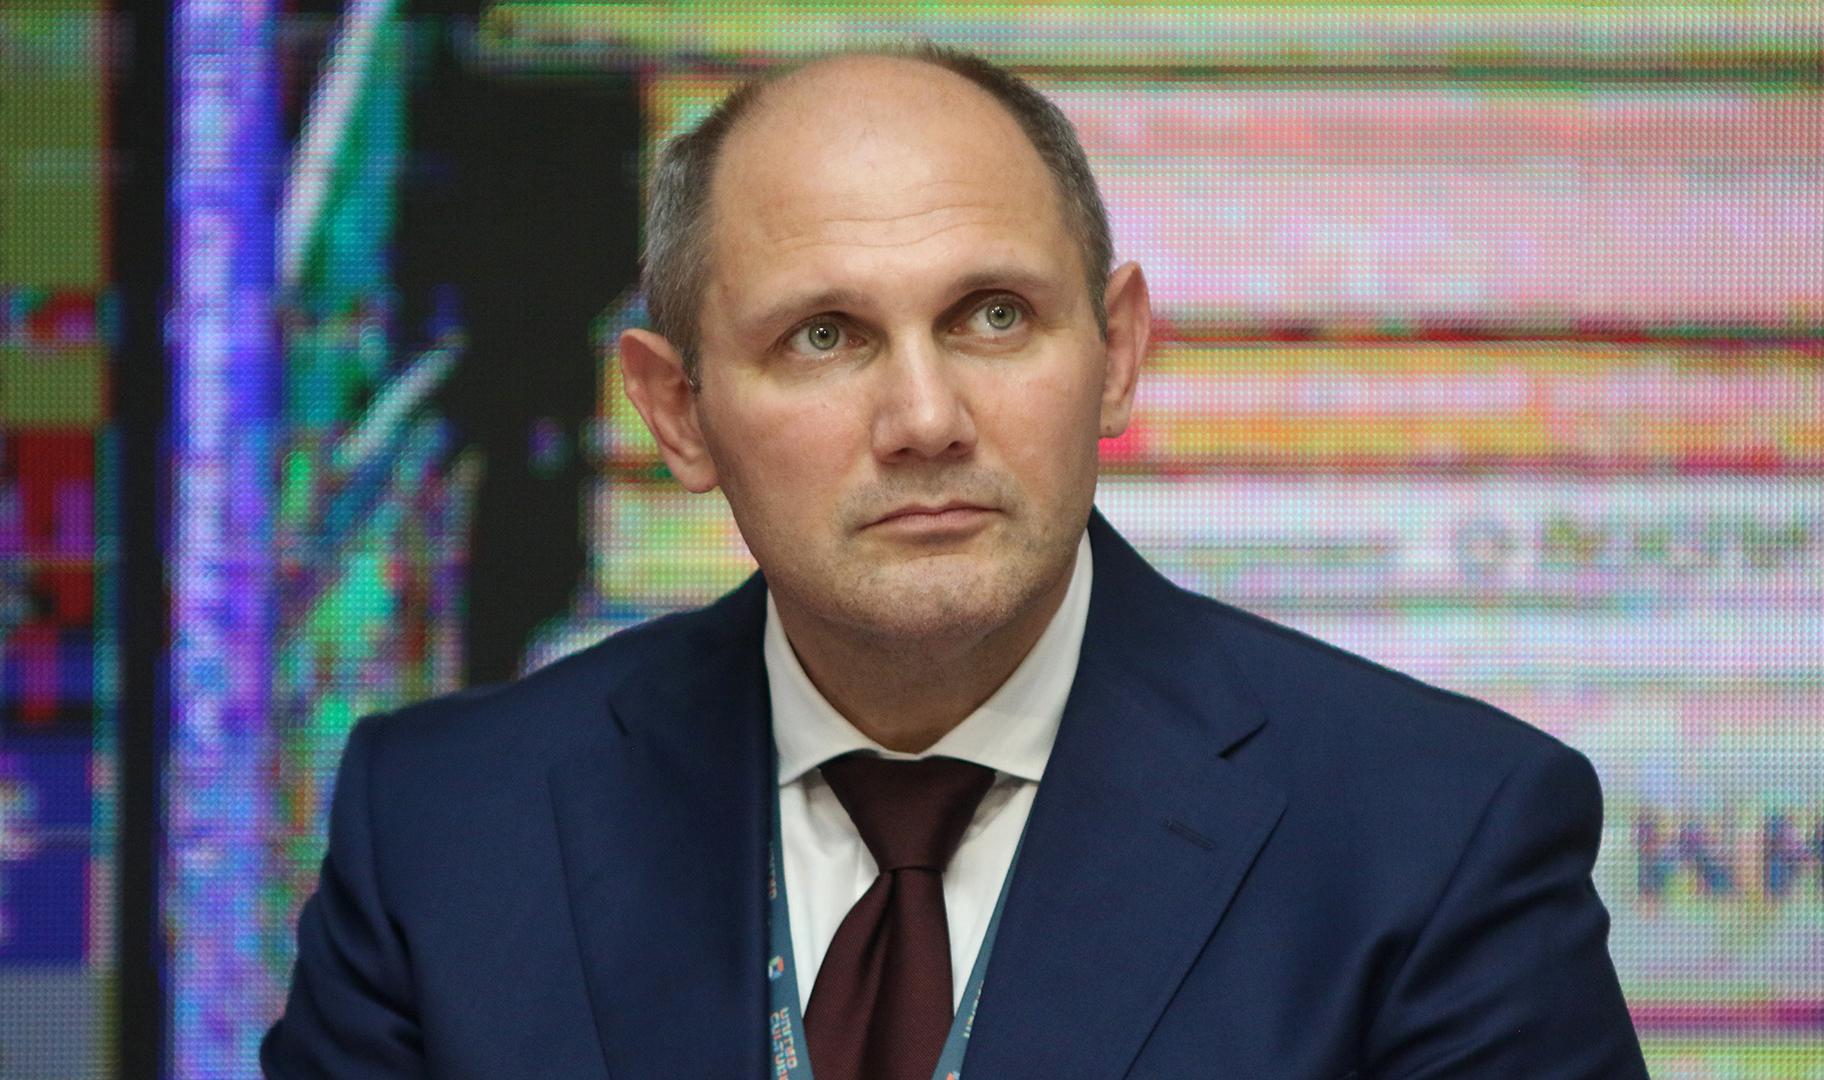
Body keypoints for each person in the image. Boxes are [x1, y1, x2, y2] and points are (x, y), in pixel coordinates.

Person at [263, 44, 1648, 1079]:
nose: (925, 420)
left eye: (993, 317)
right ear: (677, 412)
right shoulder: (446, 831)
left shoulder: (1437, 838)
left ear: (1118, 353)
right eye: (824, 337)